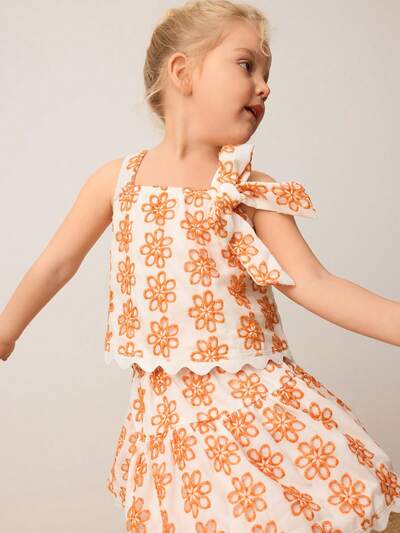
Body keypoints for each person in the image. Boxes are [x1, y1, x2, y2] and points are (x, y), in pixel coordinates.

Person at [1, 1, 399, 531]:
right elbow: (56, 264)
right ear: (182, 72)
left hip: (258, 411)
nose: (264, 87)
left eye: (267, 73)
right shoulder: (117, 182)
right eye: (247, 65)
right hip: (170, 426)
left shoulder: (250, 190)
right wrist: (5, 332)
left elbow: (316, 283)